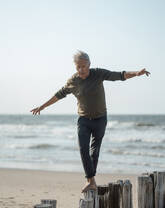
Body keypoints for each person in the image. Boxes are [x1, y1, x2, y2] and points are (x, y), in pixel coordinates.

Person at [30, 50, 150, 193]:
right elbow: (58, 95)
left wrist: (136, 73)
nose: (81, 70)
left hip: (100, 119)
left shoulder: (97, 73)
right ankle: (91, 181)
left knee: (95, 151)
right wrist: (42, 106)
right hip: (84, 120)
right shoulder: (73, 81)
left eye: (84, 66)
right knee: (83, 149)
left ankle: (90, 180)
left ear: (89, 64)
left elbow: (119, 75)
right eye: (78, 67)